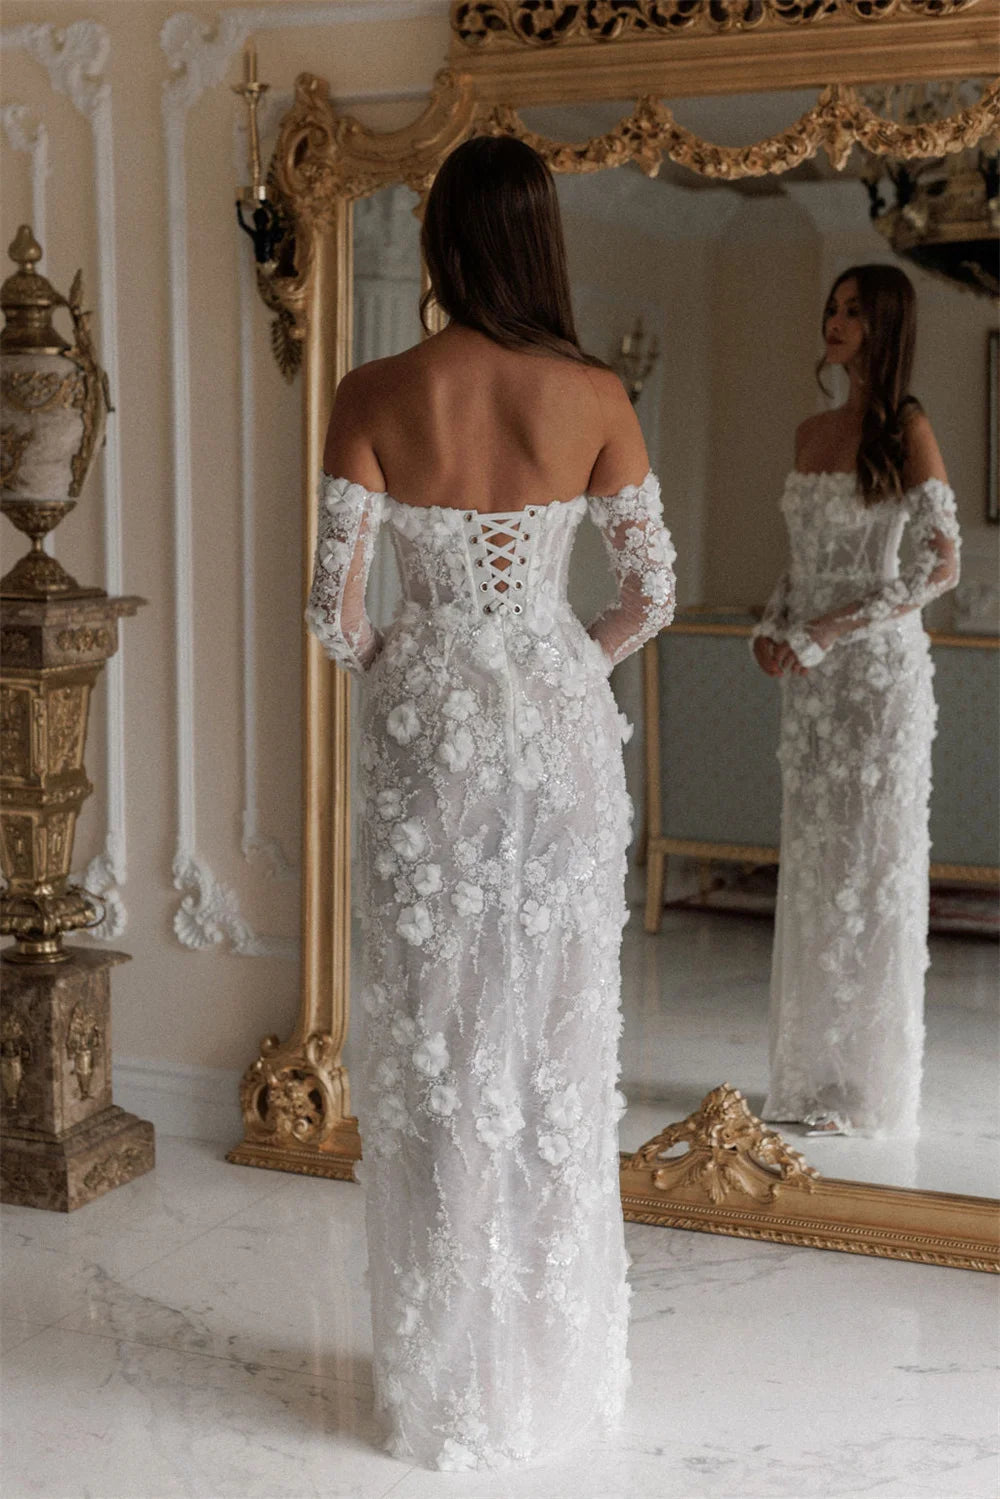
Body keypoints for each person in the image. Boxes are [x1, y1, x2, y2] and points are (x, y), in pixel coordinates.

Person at [304, 135, 676, 1471]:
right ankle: (547, 1366)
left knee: (434, 1047)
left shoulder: (376, 388)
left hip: (428, 741)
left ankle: (446, 1366)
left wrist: (411, 662)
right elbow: (653, 592)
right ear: (542, 244)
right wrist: (569, 654)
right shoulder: (594, 393)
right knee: (549, 1048)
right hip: (560, 738)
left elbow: (331, 613)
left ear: (446, 244)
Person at [752, 263, 960, 1138]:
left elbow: (941, 563)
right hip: (813, 684)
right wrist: (773, 621)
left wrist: (833, 628)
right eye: (831, 305)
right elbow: (803, 564)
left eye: (852, 311)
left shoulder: (906, 428)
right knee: (816, 869)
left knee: (871, 872)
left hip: (876, 684)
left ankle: (869, 1082)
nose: (834, 321)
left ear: (885, 327)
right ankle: (812, 1075)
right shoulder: (809, 432)